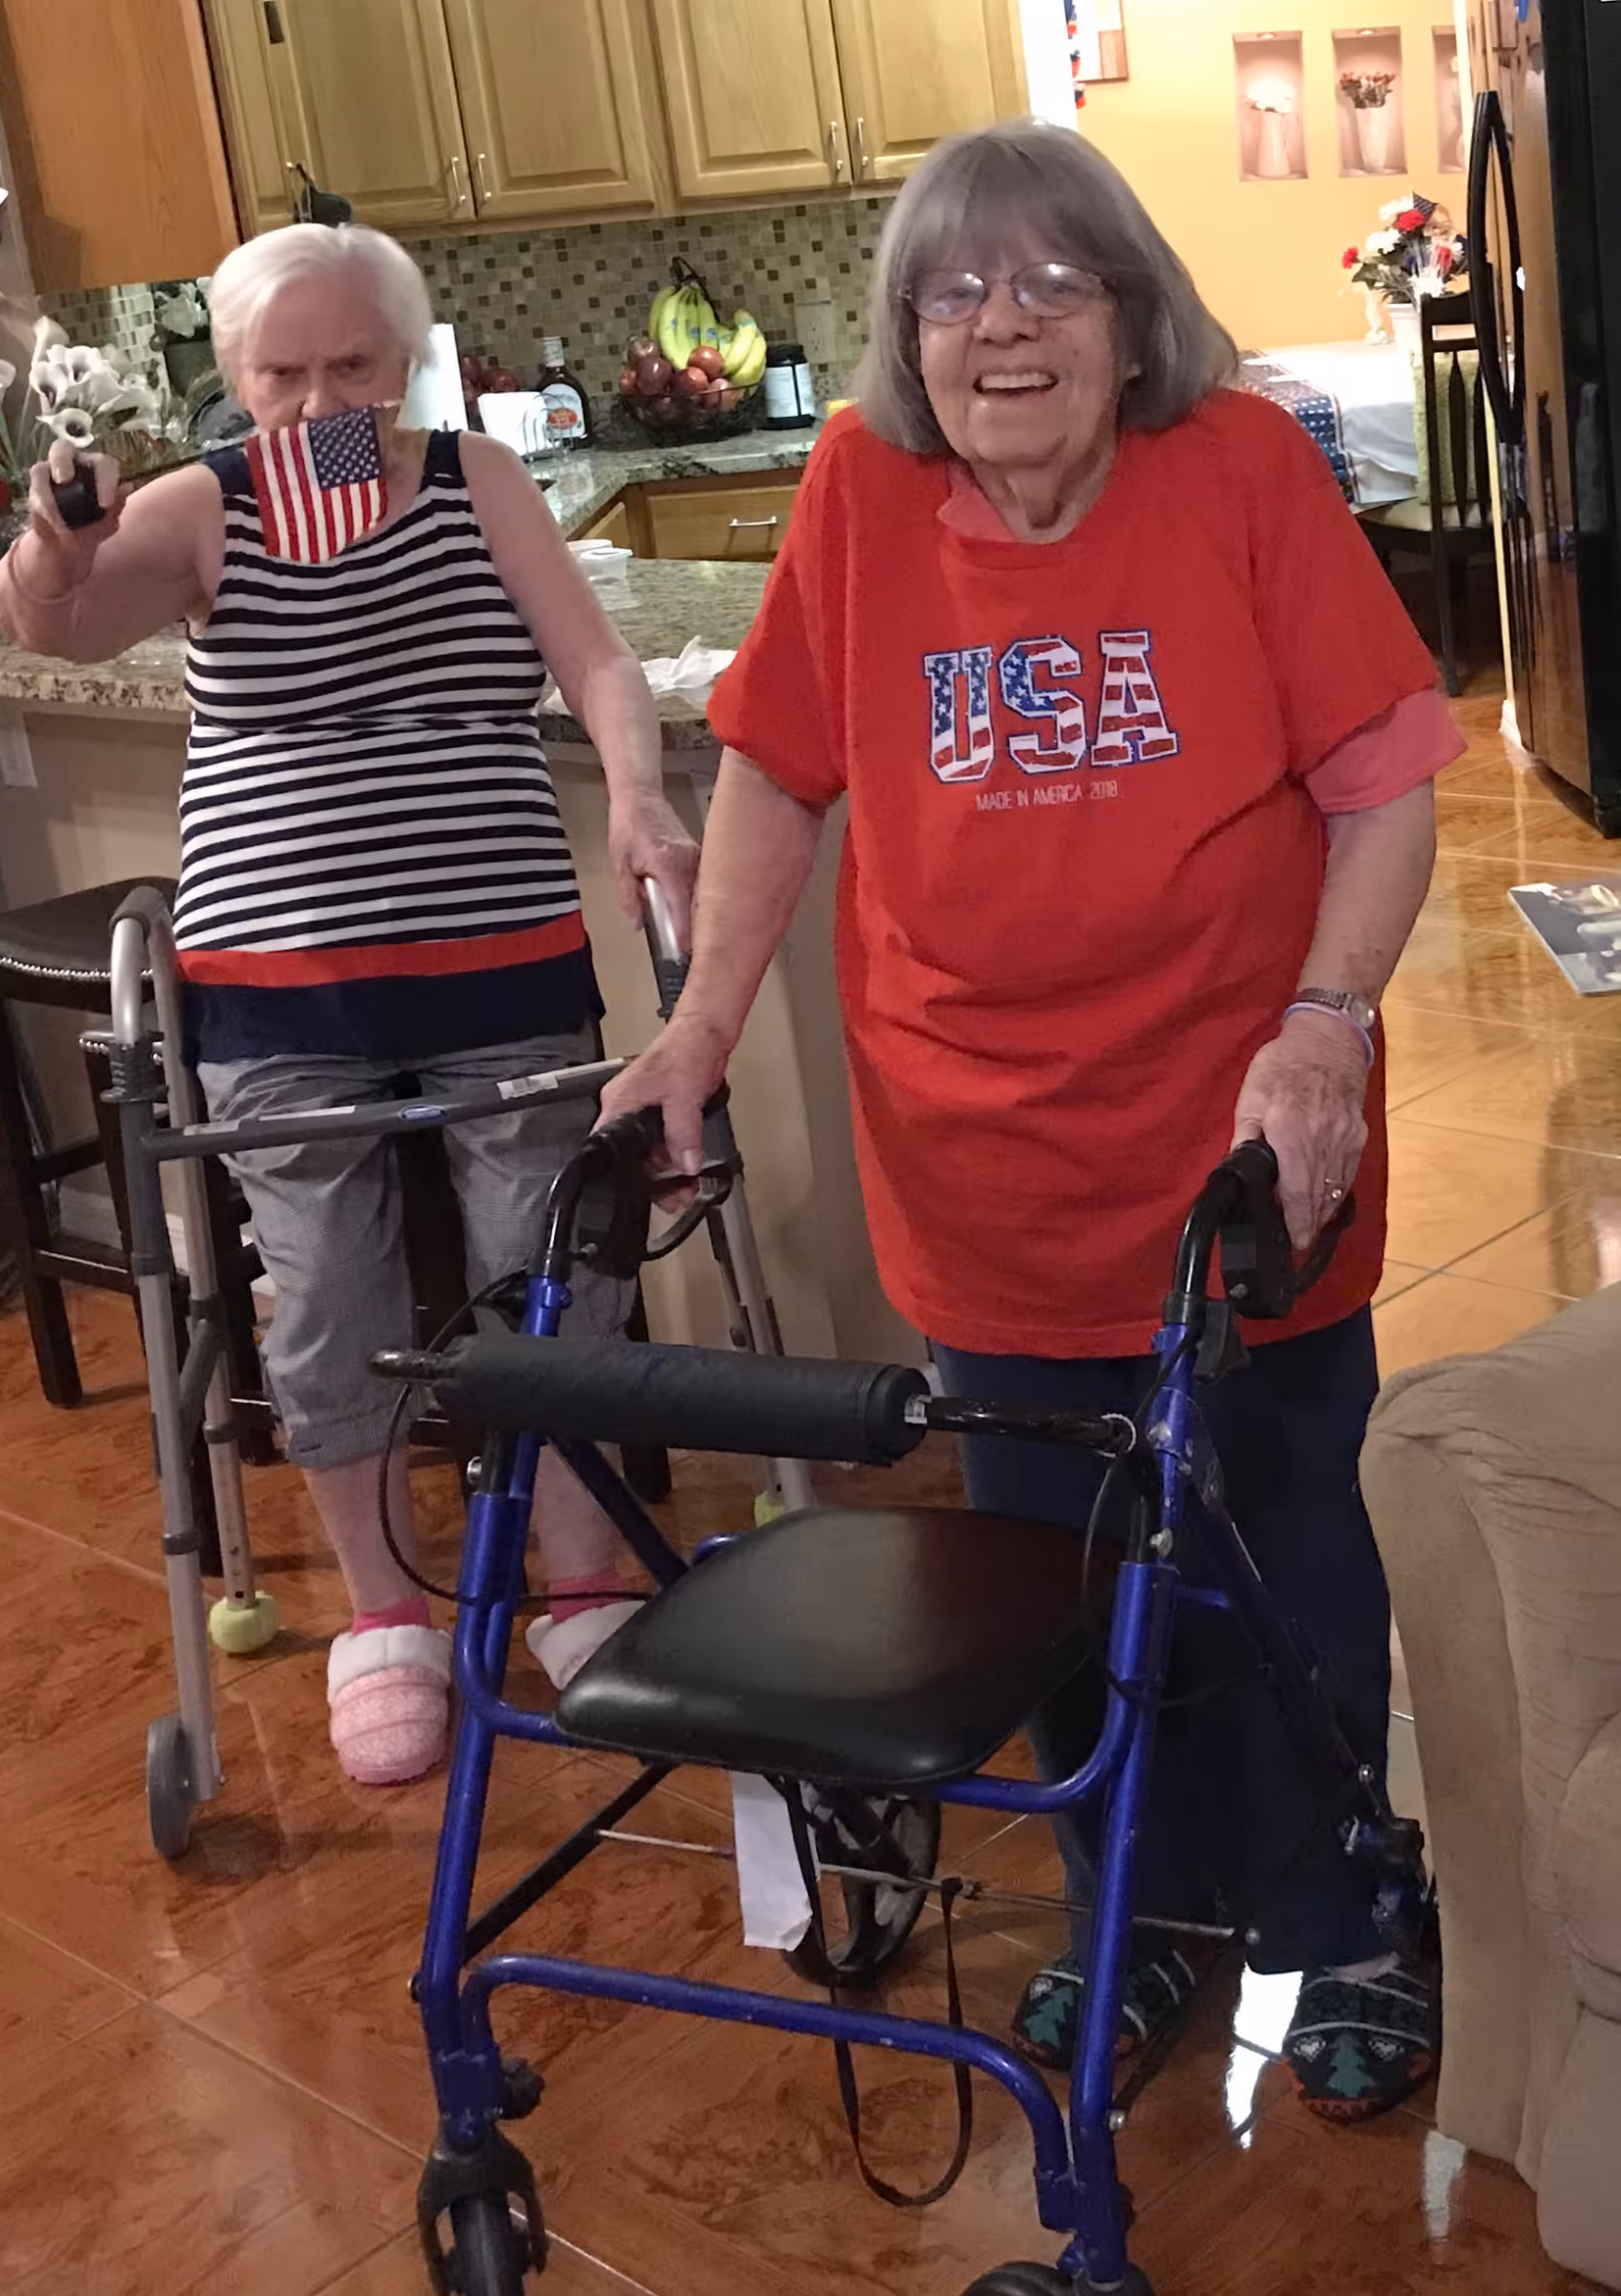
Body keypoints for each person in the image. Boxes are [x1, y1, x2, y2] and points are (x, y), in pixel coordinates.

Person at [599, 122, 1461, 2122]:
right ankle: (1135, 1903)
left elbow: (1389, 779)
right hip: (980, 1158)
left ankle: (1342, 1911)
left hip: (1248, 1151)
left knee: (1288, 1534)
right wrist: (702, 1024)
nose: (1002, 326)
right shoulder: (860, 488)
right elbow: (774, 775)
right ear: (906, 333)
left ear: (1132, 312)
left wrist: (1326, 1023)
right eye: (954, 291)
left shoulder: (1238, 472)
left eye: (1052, 284)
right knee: (1050, 1562)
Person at [0, 223, 697, 1787]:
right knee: (321, 1292)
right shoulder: (205, 509)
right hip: (278, 979)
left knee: (547, 1268)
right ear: (235, 385)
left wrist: (642, 803)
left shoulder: (472, 482)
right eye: (283, 371)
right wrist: (55, 533)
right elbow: (52, 616)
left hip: (498, 950)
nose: (320, 394)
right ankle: (386, 1614)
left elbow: (593, 667)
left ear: (407, 360)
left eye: (354, 365)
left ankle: (574, 1576)